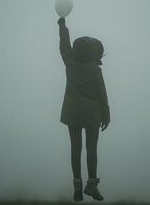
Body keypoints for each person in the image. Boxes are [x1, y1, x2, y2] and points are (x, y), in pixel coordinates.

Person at [57, 17, 110, 202]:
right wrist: (107, 115)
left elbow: (64, 46)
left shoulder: (70, 64)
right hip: (93, 114)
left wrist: (62, 26)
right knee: (91, 149)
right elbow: (102, 95)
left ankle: (77, 185)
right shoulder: (95, 70)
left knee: (75, 148)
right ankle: (92, 186)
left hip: (72, 113)